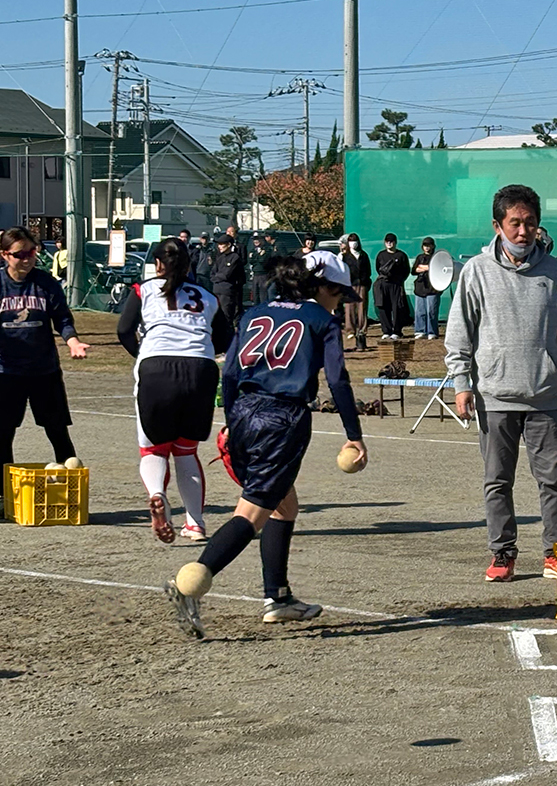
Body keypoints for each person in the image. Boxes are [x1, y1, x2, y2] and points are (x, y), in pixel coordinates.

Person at [164, 251, 368, 638]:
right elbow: (338, 381)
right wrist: (354, 435)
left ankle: (278, 597)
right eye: (339, 294)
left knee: (283, 504)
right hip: (283, 420)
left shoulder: (253, 312)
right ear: (322, 287)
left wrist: (231, 421)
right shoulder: (322, 320)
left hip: (243, 412)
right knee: (251, 513)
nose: (340, 302)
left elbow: (231, 372)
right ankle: (191, 581)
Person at [445, 184, 557, 583]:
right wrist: (461, 384)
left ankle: (556, 553)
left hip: (543, 396)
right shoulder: (476, 271)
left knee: (553, 480)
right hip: (494, 396)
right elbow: (459, 334)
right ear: (497, 225)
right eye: (515, 223)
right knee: (497, 482)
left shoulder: (555, 272)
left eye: (530, 223)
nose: (523, 231)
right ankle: (502, 553)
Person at [117, 237, 232, 544]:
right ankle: (195, 523)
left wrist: (142, 355)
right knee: (185, 451)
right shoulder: (208, 297)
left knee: (154, 449)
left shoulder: (143, 289)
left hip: (157, 368)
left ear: (157, 264)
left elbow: (123, 330)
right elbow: (225, 338)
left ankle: (157, 494)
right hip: (200, 369)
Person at [0, 226, 89, 469]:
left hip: (44, 370)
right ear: (4, 254)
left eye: (31, 252)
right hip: (6, 373)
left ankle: (69, 491)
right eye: (20, 254)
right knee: (3, 433)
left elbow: (62, 318)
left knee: (57, 430)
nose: (27, 258)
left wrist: (73, 341)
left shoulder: (45, 283)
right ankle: (4, 498)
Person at [375, 233, 412, 341]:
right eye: (387, 242)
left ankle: (397, 331)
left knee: (397, 308)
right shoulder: (381, 255)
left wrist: (399, 280)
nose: (389, 243)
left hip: (396, 285)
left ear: (395, 242)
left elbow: (406, 270)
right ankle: (386, 331)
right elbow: (378, 268)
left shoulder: (401, 255)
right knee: (383, 307)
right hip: (383, 284)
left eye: (391, 241)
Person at [340, 233, 372, 351]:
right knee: (349, 308)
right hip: (350, 285)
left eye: (355, 241)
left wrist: (366, 282)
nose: (353, 243)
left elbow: (368, 271)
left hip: (362, 284)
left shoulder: (363, 255)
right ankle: (350, 330)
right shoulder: (345, 256)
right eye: (351, 241)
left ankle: (362, 330)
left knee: (362, 308)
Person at [209, 233, 245, 325]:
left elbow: (227, 275)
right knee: (215, 317)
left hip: (227, 291)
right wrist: (217, 277)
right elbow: (212, 274)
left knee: (226, 317)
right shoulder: (219, 257)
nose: (219, 247)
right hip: (217, 289)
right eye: (218, 244)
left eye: (222, 244)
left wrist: (217, 277)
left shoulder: (235, 257)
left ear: (229, 245)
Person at [411, 237, 441, 339]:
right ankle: (420, 330)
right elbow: (414, 270)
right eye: (425, 246)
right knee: (420, 311)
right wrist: (426, 268)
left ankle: (432, 331)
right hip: (420, 288)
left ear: (433, 246)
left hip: (433, 288)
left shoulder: (437, 257)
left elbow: (438, 268)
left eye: (428, 245)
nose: (426, 248)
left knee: (431, 311)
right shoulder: (420, 257)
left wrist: (425, 267)